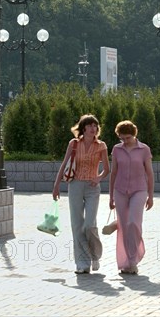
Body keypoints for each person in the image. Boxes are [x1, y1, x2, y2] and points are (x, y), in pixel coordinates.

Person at [53, 114, 110, 274]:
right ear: (83, 128)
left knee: (89, 224)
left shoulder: (101, 145)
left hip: (93, 188)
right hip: (75, 185)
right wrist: (56, 185)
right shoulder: (74, 144)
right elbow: (64, 164)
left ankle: (95, 255)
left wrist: (98, 178)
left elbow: (107, 169)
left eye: (95, 126)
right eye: (90, 125)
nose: (94, 128)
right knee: (77, 225)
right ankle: (82, 263)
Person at [108, 120, 154, 275]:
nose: (125, 141)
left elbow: (149, 173)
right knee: (124, 227)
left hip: (139, 190)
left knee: (134, 223)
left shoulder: (144, 150)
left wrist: (151, 196)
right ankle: (126, 262)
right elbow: (113, 172)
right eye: (122, 138)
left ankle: (133, 260)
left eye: (127, 138)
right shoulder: (116, 149)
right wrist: (110, 197)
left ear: (134, 135)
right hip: (120, 190)